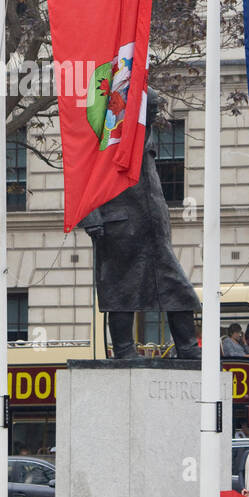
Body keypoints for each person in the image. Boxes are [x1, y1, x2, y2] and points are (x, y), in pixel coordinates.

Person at [80, 89, 201, 361]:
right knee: (121, 293)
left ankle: (188, 348)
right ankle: (124, 350)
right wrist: (91, 216)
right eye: (151, 108)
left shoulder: (142, 136)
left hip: (152, 230)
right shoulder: (107, 136)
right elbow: (82, 178)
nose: (157, 112)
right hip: (119, 229)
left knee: (178, 290)